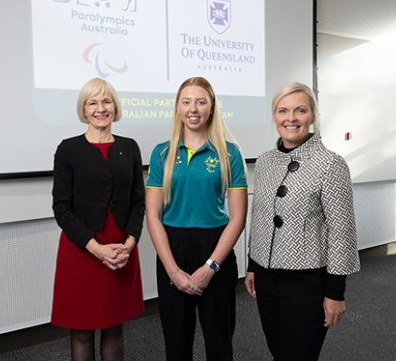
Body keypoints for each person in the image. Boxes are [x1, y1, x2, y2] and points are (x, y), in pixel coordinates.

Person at [245, 82, 360, 361]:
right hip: (266, 276)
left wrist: (335, 292)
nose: (291, 118)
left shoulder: (330, 164)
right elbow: (259, 216)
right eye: (283, 110)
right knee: (278, 352)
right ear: (274, 116)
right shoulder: (264, 162)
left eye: (300, 110)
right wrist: (251, 265)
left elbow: (341, 231)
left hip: (307, 282)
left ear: (313, 116)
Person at [146, 76, 248, 361]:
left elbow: (238, 217)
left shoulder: (230, 152)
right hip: (172, 248)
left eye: (201, 101)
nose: (193, 109)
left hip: (216, 248)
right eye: (186, 101)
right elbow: (153, 216)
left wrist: (211, 266)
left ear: (212, 107)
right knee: (176, 344)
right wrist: (173, 271)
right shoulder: (162, 152)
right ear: (177, 108)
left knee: (219, 342)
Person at [51, 77, 145, 361]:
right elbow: (62, 208)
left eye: (106, 101)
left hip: (121, 249)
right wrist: (96, 249)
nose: (100, 108)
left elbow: (138, 201)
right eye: (93, 102)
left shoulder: (129, 147)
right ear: (84, 109)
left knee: (114, 326)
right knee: (81, 331)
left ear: (115, 107)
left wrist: (129, 243)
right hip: (81, 250)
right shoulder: (68, 149)